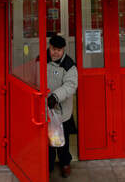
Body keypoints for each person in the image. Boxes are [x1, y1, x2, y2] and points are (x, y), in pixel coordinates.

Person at [47, 34, 78, 178]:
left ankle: (65, 163)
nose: (55, 53)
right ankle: (48, 164)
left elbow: (70, 85)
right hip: (44, 110)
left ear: (63, 49)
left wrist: (55, 96)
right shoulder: (41, 59)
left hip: (61, 111)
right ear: (49, 47)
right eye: (53, 49)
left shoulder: (69, 65)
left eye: (59, 50)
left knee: (62, 140)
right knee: (46, 141)